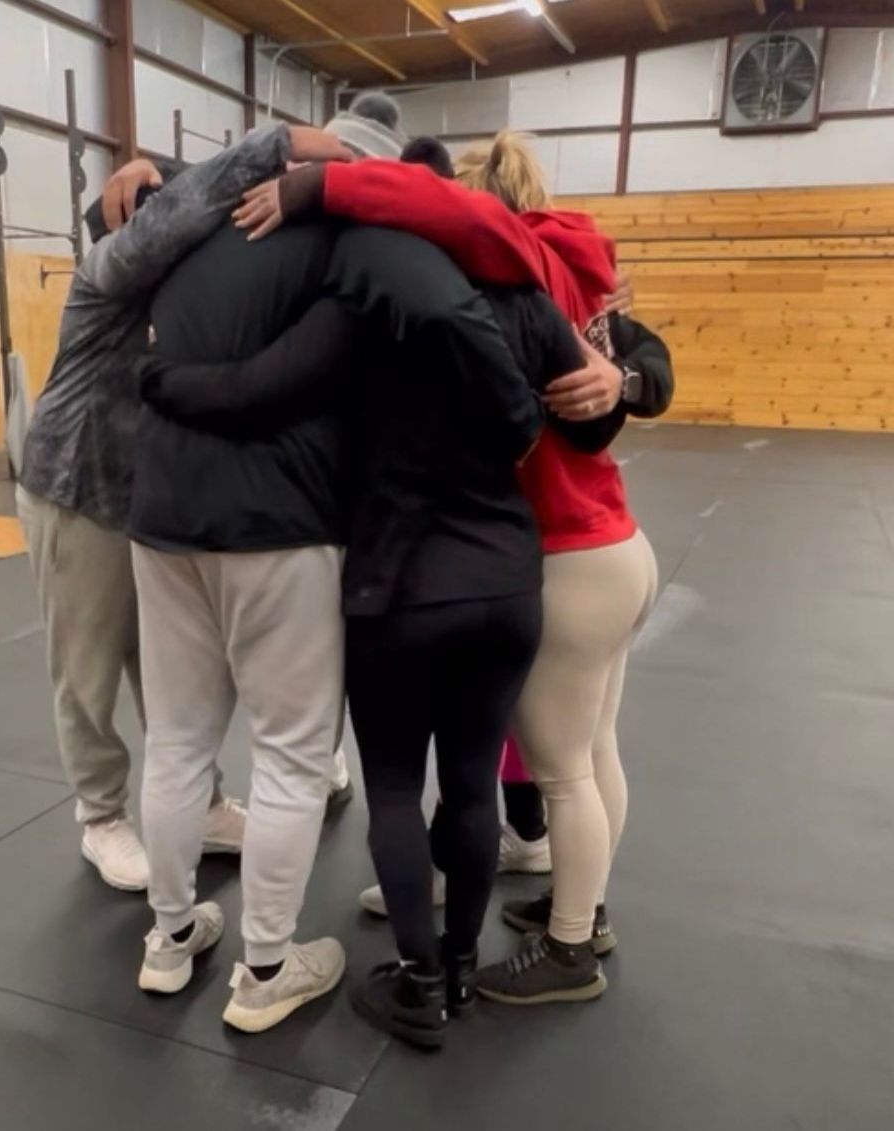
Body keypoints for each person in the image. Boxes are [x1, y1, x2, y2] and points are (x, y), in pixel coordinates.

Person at [127, 117, 559, 1037]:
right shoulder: (356, 242)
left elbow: (120, 239)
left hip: (160, 515)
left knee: (176, 738)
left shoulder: (196, 223)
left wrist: (159, 381)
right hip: (277, 521)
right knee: (291, 752)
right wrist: (522, 416)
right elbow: (292, 375)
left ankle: (170, 941)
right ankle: (266, 970)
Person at [234, 130, 674, 1004]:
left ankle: (570, 947)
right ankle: (580, 908)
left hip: (567, 554)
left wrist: (312, 183)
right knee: (590, 753)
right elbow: (651, 365)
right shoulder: (576, 277)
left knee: (563, 772)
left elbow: (424, 201)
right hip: (616, 545)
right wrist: (624, 382)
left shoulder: (512, 273)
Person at [16, 123, 351, 894]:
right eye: (150, 202)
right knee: (87, 667)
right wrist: (279, 146)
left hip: (147, 502)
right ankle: (99, 815)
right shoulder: (107, 269)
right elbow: (185, 209)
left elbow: (187, 204)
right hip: (75, 494)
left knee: (163, 677)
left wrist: (154, 165)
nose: (168, 210)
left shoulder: (174, 276)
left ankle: (196, 805)